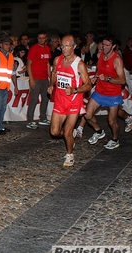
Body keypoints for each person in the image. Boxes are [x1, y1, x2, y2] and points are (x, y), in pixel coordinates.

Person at [47, 34, 92, 167]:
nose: (64, 49)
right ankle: (70, 137)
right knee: (54, 132)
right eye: (62, 46)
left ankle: (70, 155)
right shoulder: (57, 60)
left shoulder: (79, 64)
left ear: (74, 47)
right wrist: (51, 85)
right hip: (60, 101)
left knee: (67, 131)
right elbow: (54, 73)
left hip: (74, 101)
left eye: (67, 46)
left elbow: (88, 85)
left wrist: (75, 90)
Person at [84, 34, 126, 149]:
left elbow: (122, 80)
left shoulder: (117, 59)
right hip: (99, 91)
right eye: (103, 44)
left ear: (113, 46)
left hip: (113, 94)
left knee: (112, 121)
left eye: (107, 45)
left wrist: (107, 78)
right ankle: (99, 131)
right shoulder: (99, 55)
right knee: (87, 115)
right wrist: (96, 77)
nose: (104, 47)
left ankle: (115, 139)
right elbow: (99, 69)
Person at [0, 36, 18, 135]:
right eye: (6, 44)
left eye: (9, 44)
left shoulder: (11, 56)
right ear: (1, 45)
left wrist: (16, 86)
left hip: (5, 86)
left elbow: (13, 73)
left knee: (2, 107)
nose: (8, 46)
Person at [26, 30, 51, 129]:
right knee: (34, 99)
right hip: (36, 78)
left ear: (46, 38)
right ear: (37, 39)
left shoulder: (47, 48)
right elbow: (29, 64)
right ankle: (30, 120)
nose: (41, 40)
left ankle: (43, 118)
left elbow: (47, 63)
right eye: (39, 38)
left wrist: (50, 76)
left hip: (45, 78)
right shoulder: (34, 49)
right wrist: (31, 79)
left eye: (43, 38)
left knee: (45, 98)